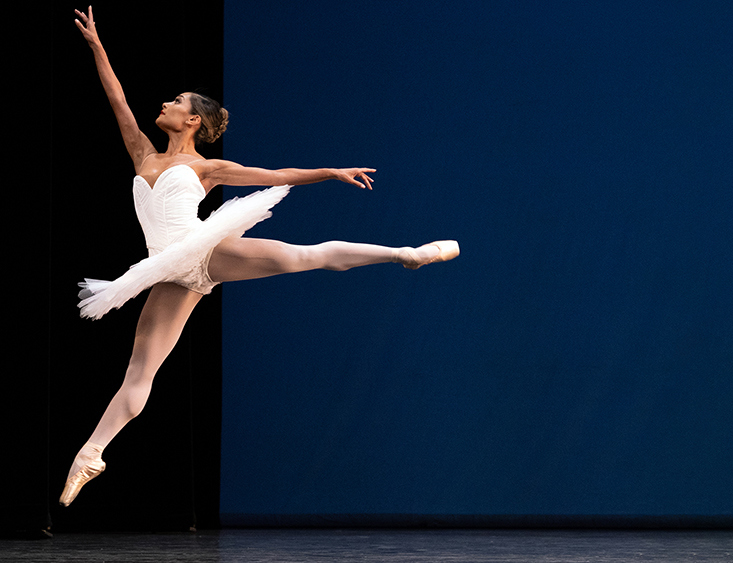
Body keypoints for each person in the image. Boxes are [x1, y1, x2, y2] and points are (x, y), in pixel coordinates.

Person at [60, 6, 459, 506]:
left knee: (302, 256)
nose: (164, 102)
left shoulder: (209, 167)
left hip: (202, 251)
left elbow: (277, 175)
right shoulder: (143, 152)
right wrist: (97, 45)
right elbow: (116, 100)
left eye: (176, 100)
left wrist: (330, 172)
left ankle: (406, 254)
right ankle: (90, 456)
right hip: (164, 269)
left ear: (193, 119)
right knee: (141, 370)